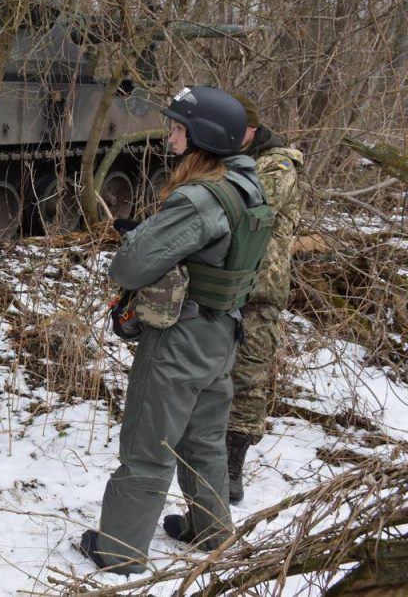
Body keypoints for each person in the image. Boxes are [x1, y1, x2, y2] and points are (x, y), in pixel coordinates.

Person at [80, 86, 274, 574]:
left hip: (180, 338)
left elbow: (129, 268)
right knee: (203, 440)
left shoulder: (198, 198)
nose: (170, 135)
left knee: (149, 444)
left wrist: (143, 238)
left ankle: (119, 551)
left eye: (178, 128)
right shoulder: (248, 186)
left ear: (200, 138)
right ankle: (210, 529)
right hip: (221, 334)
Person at [225, 93, 303, 503]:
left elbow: (247, 205)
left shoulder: (277, 165)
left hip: (260, 290)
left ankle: (232, 466)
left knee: (249, 378)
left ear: (251, 132)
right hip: (227, 283)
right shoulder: (229, 157)